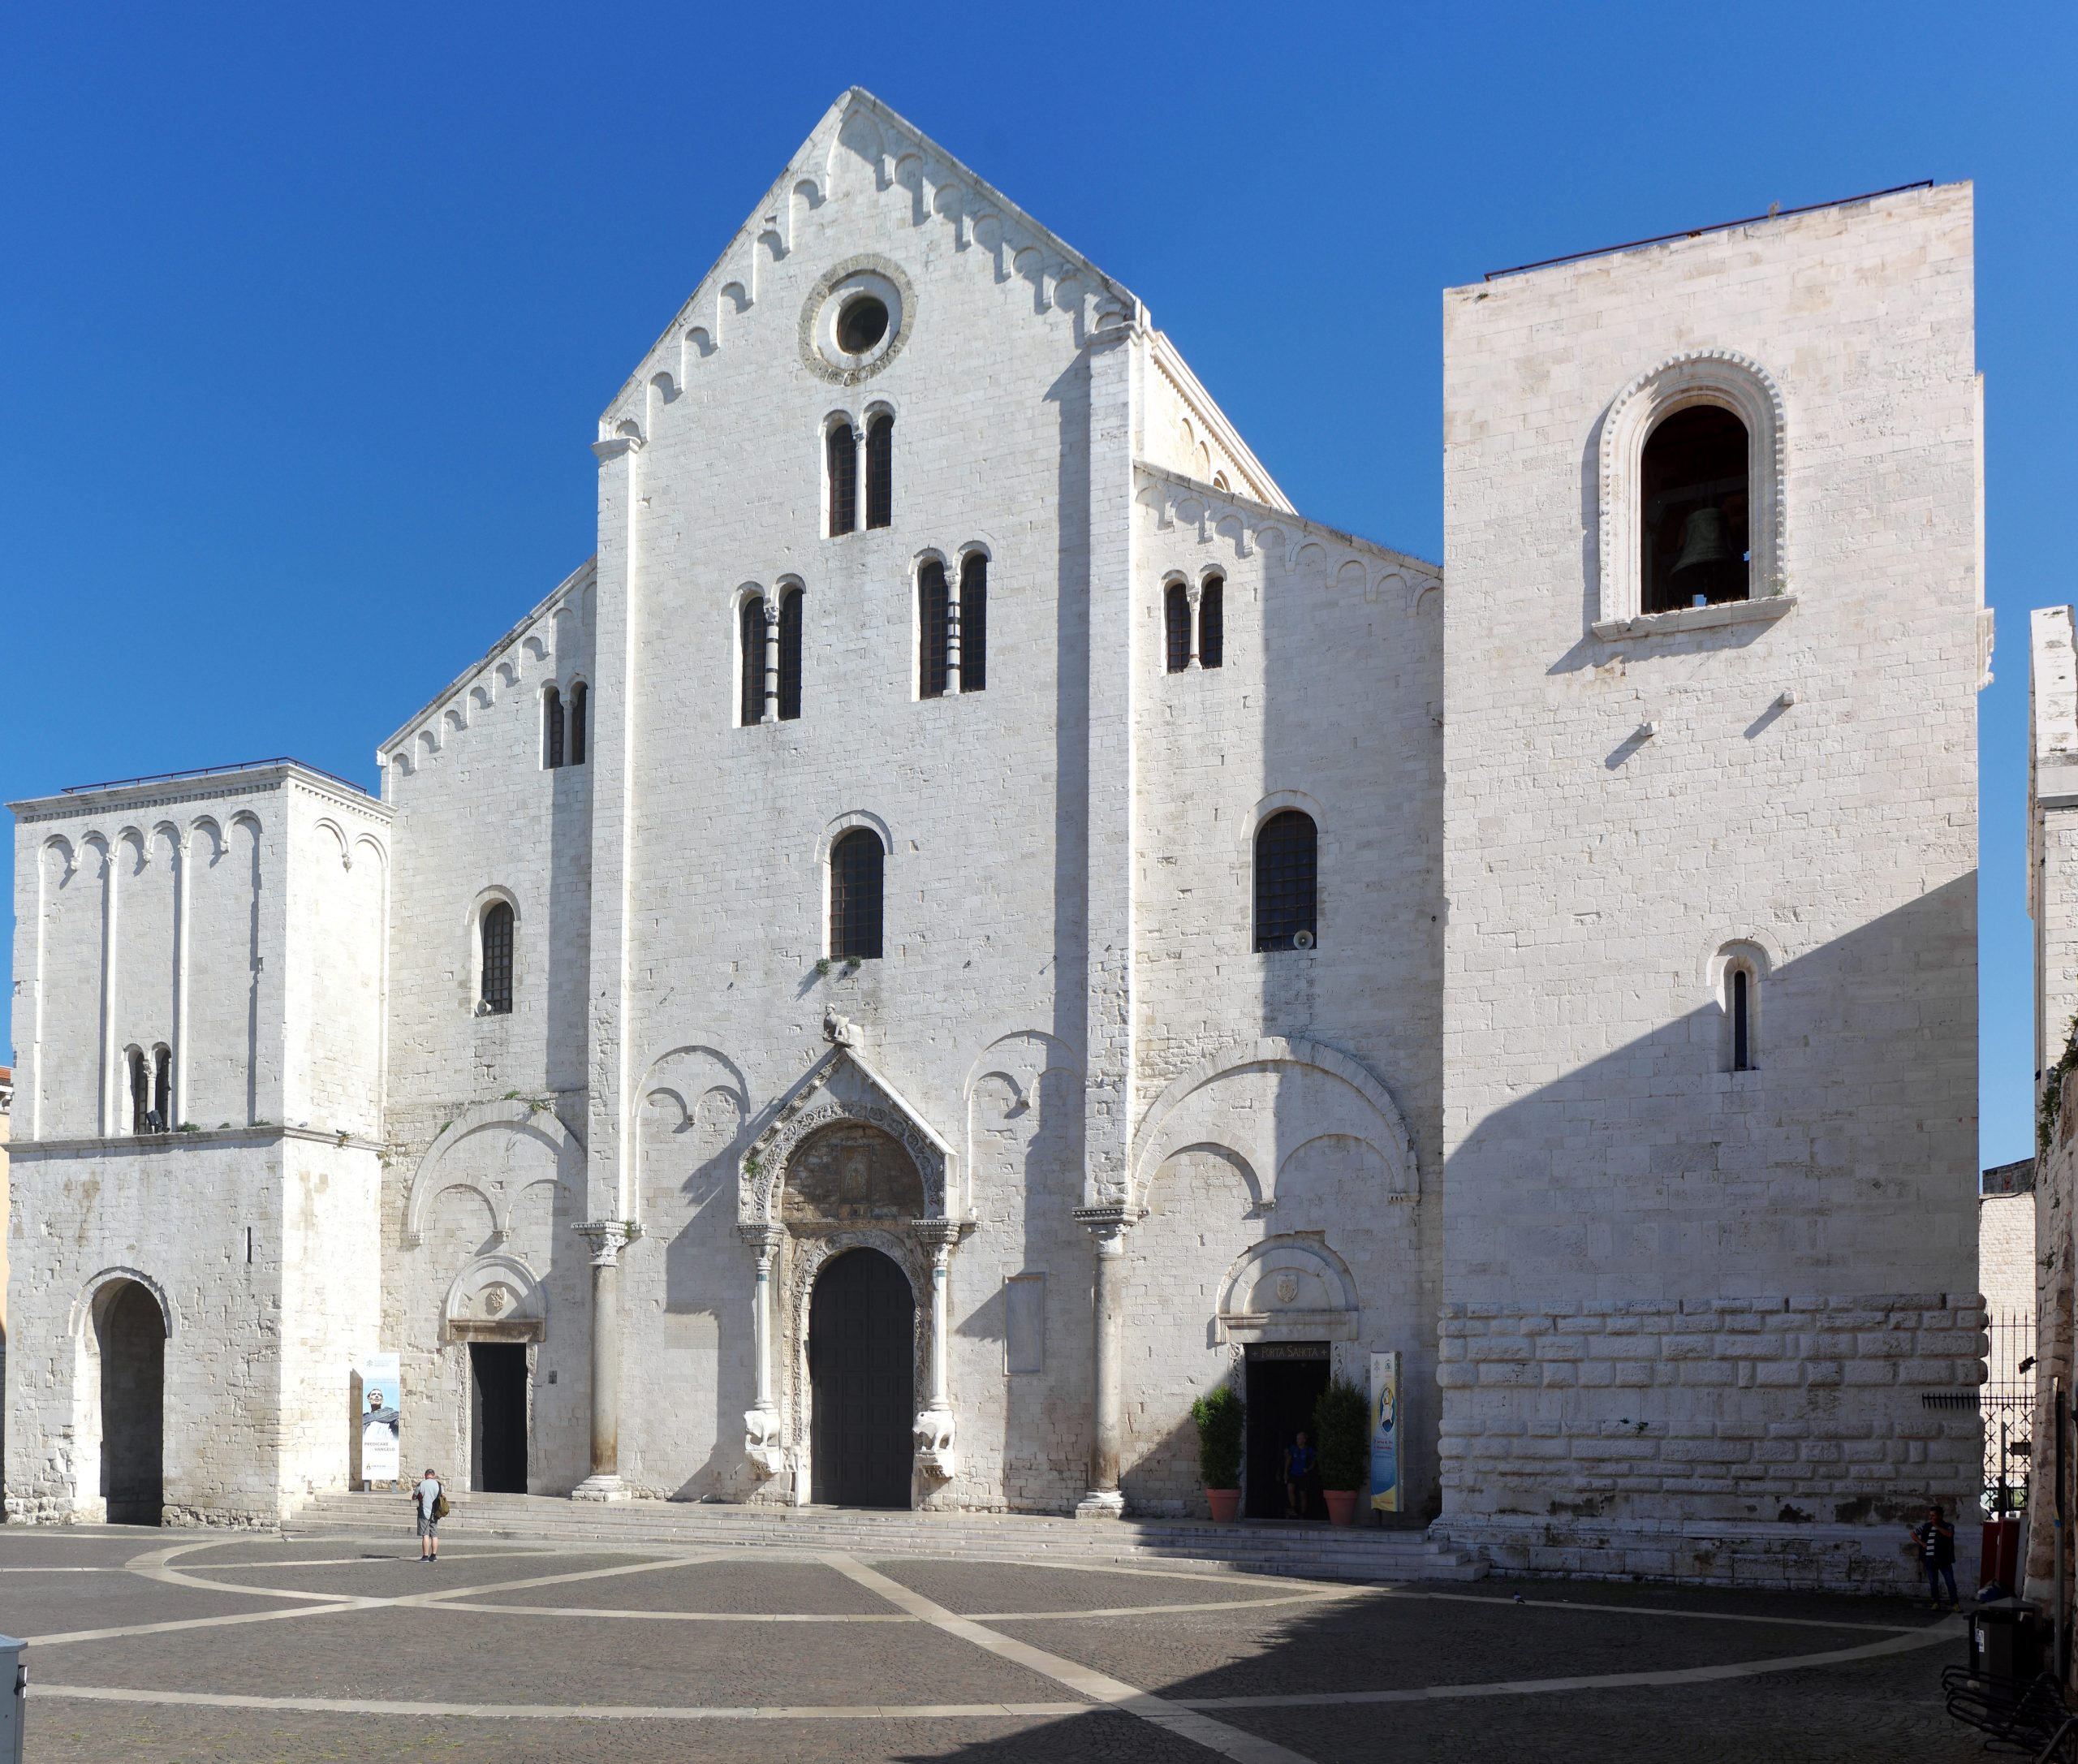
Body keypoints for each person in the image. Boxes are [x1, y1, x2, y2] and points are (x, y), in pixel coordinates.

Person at [1910, 1504, 1957, 1608]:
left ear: (1940, 1516)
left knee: (1950, 1582)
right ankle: (1936, 1602)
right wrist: (1922, 1544)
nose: (1931, 1518)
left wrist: (1937, 1526)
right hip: (1930, 1559)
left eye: (1933, 1516)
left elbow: (1949, 1534)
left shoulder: (1947, 1526)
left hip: (1944, 1559)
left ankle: (1955, 1603)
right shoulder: (1926, 1526)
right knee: (1933, 1582)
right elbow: (1913, 1534)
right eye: (1930, 1516)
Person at [1283, 1430, 1317, 1521]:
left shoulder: (1308, 1450)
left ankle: (1303, 1513)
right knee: (1290, 1489)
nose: (1297, 1440)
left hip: (1303, 1475)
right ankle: (1293, 1508)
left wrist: (1308, 1469)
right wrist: (1285, 1472)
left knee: (1303, 1494)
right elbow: (1288, 1460)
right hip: (1293, 1473)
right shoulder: (1293, 1448)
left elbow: (1314, 1461)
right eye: (1297, 1438)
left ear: (1304, 1440)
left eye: (1299, 1439)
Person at [413, 1466, 443, 1563]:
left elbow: (414, 1496)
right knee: (434, 1534)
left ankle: (425, 1556)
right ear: (433, 1475)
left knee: (425, 1535)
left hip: (424, 1512)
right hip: (435, 1512)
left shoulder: (421, 1484)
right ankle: (433, 1556)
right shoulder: (439, 1485)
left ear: (425, 1475)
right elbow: (442, 1496)